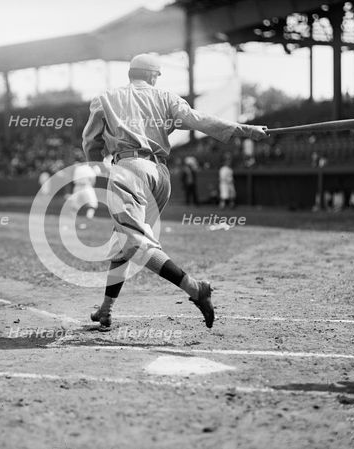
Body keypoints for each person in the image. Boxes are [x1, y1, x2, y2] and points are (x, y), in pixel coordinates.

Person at [82, 53, 268, 331]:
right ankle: (106, 311)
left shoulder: (105, 98)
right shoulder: (166, 97)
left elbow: (90, 141)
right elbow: (197, 119)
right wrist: (243, 129)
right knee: (123, 242)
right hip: (160, 176)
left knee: (135, 243)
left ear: (131, 74)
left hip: (128, 169)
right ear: (153, 75)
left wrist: (100, 165)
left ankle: (195, 288)